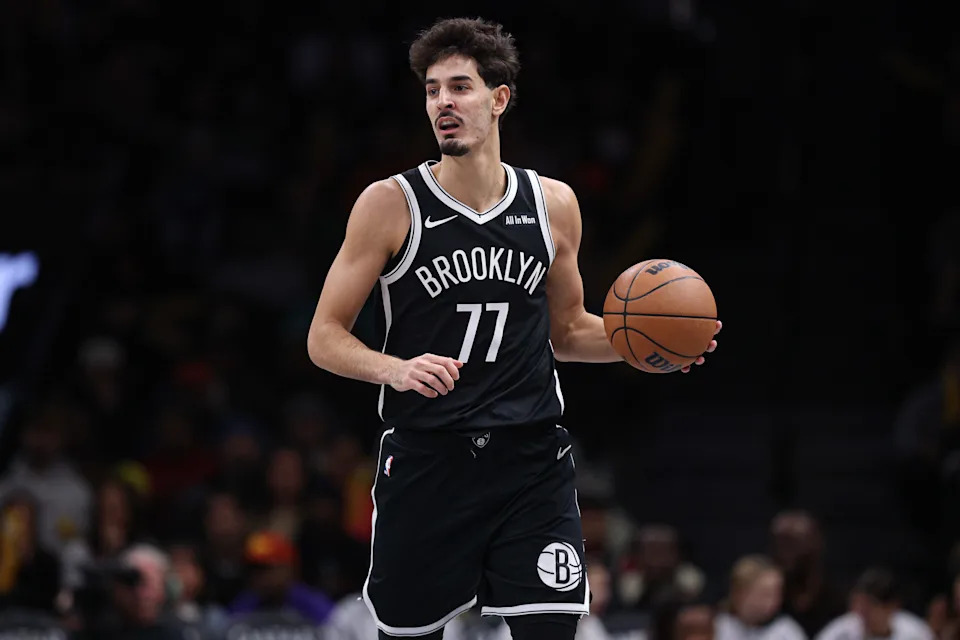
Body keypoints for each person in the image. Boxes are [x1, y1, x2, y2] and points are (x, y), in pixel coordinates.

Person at [306, 16, 722, 640]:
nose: (443, 102)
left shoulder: (552, 204)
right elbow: (324, 336)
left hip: (529, 459)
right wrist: (396, 367)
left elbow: (568, 332)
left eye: (460, 87)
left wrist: (652, 347)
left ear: (499, 99)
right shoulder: (389, 204)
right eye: (432, 90)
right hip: (428, 459)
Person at [816, 568, 933, 640]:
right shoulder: (839, 633)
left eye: (870, 605)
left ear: (892, 606)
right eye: (859, 604)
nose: (863, 612)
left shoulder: (916, 634)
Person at [715, 555, 805, 640]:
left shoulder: (786, 632)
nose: (775, 600)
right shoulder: (716, 625)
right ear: (739, 593)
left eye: (778, 593)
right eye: (766, 594)